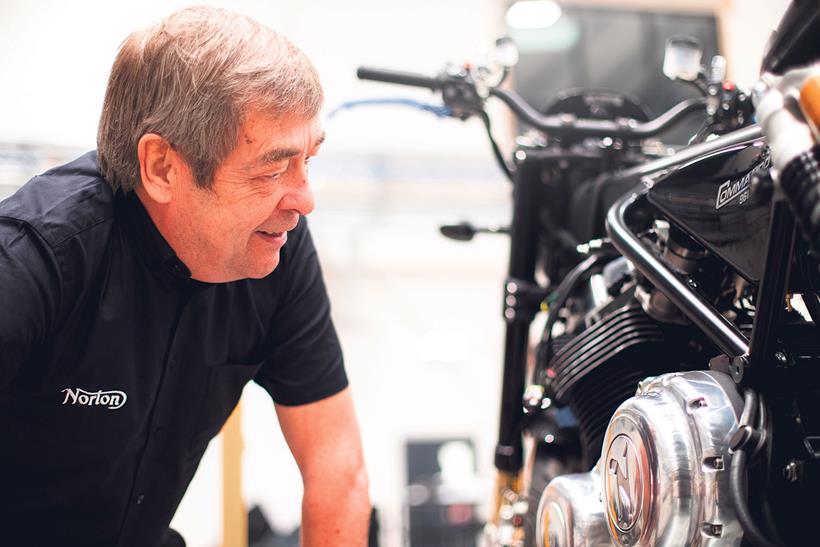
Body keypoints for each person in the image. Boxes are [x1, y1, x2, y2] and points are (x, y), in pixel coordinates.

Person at [0, 6, 370, 546]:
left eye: (307, 161)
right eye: (272, 168)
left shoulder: (275, 252)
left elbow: (337, 470)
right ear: (163, 167)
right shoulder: (36, 258)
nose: (304, 200)